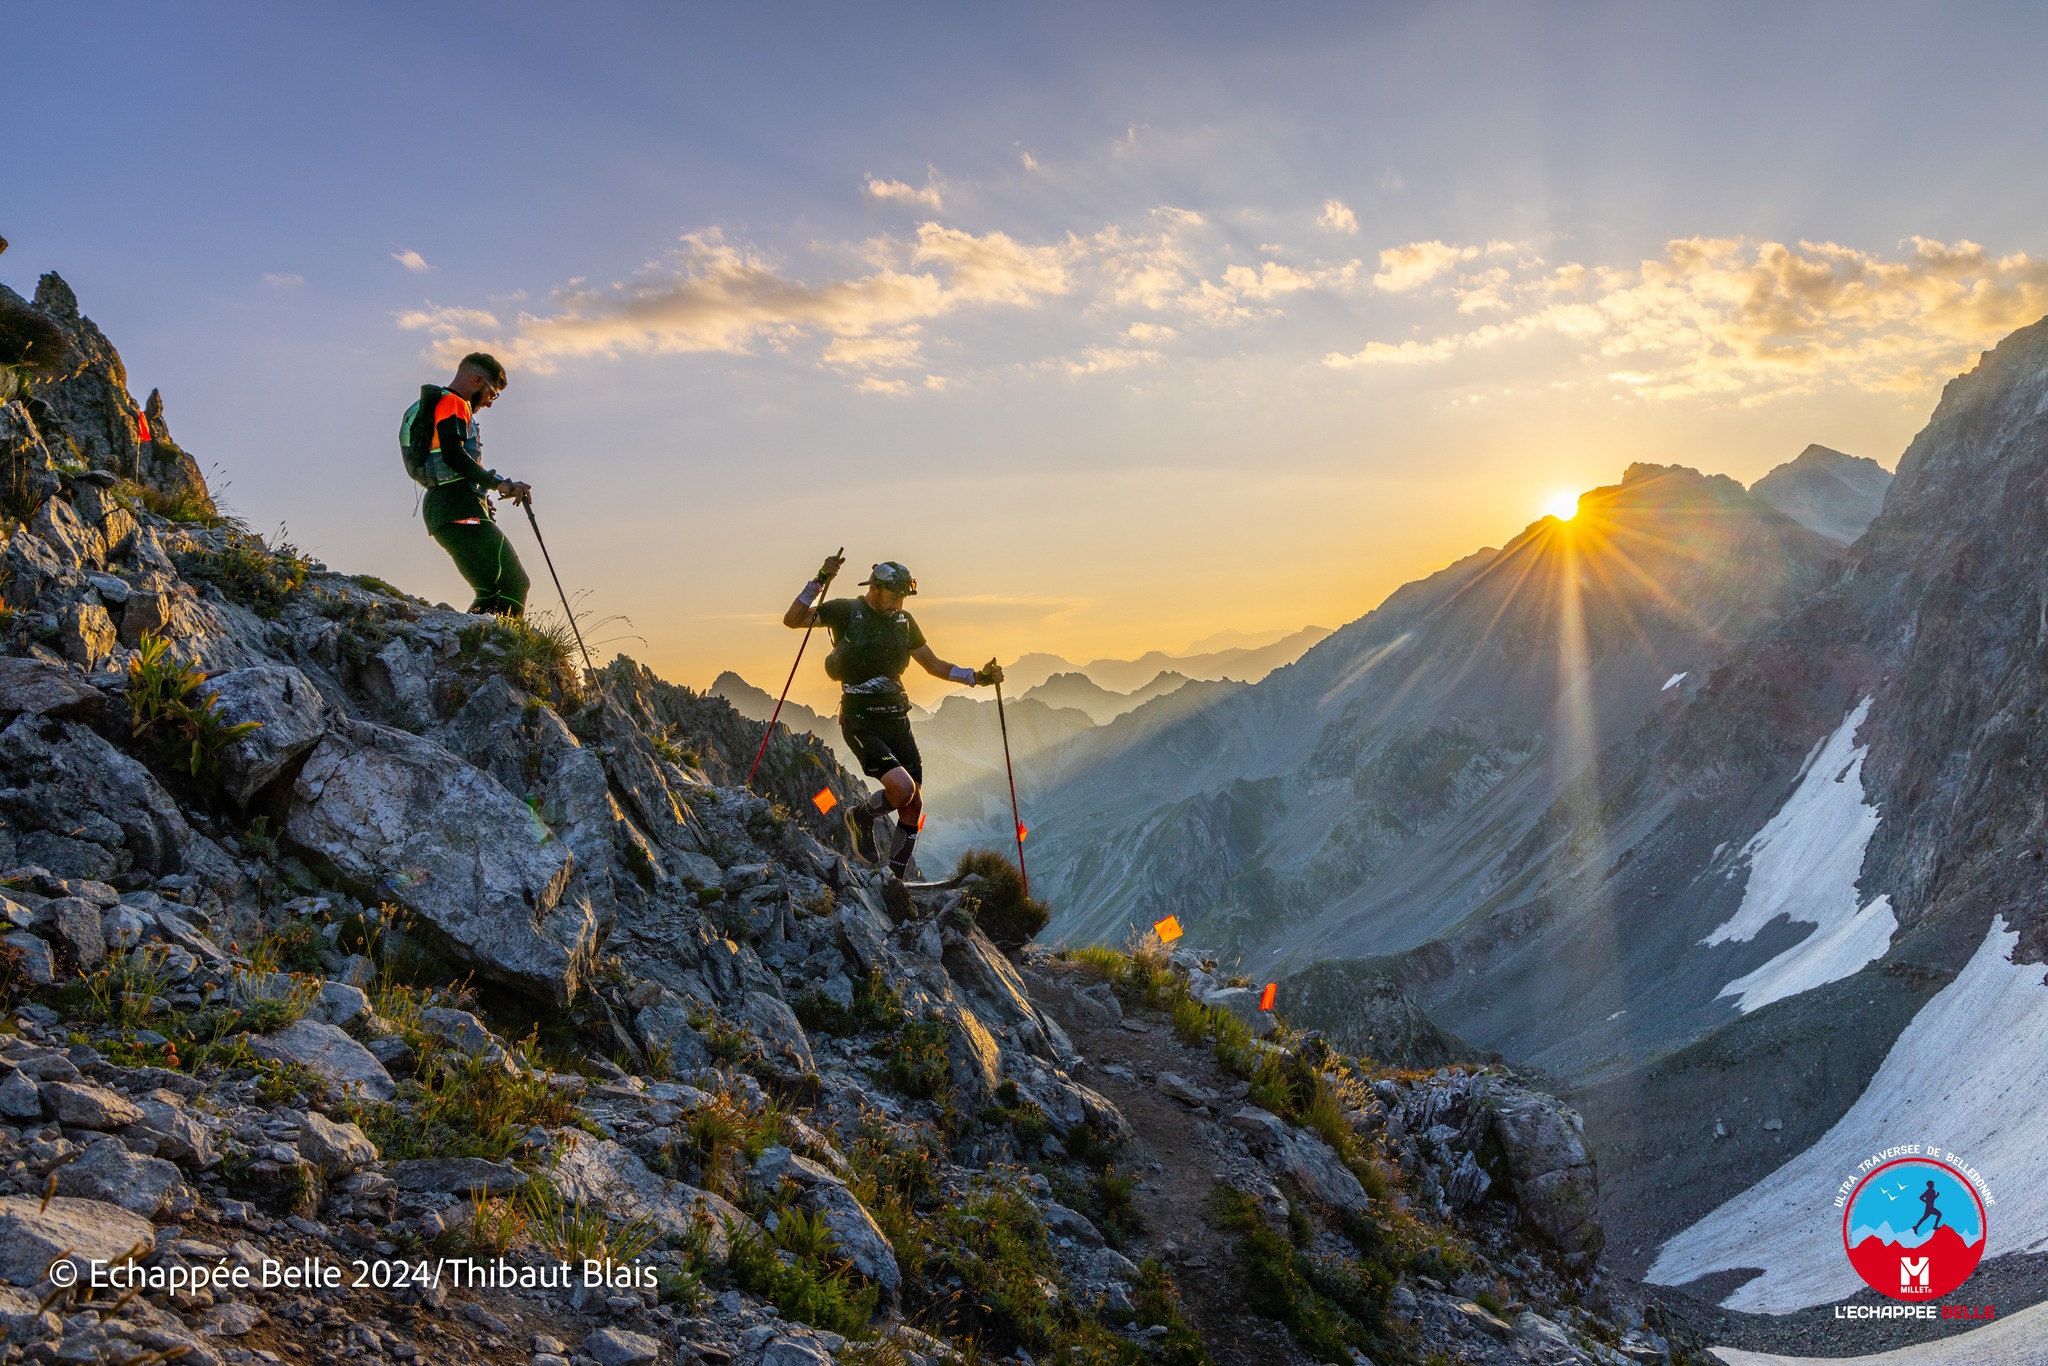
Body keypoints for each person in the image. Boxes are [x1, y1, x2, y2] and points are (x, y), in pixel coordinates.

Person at [784, 556, 1001, 876]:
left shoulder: (904, 621)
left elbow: (934, 665)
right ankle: (860, 817)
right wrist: (818, 580)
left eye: (903, 597)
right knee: (902, 789)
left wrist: (977, 678)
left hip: (898, 721)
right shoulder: (846, 611)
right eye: (894, 595)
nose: (900, 602)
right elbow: (794, 620)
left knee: (913, 806)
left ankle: (895, 880)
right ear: (875, 589)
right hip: (862, 721)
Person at [402, 352, 533, 615]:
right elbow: (453, 455)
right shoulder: (454, 403)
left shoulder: (419, 409)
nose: (489, 403)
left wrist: (483, 496)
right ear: (476, 381)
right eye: (492, 394)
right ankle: (511, 653)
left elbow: (443, 459)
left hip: (442, 512)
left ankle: (482, 647)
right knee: (516, 584)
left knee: (488, 591)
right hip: (461, 508)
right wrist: (499, 484)